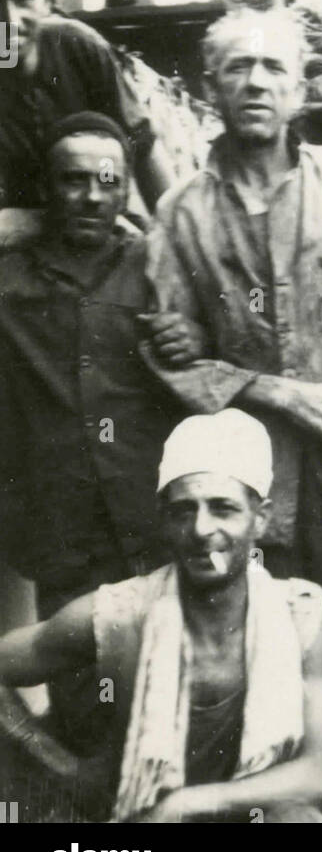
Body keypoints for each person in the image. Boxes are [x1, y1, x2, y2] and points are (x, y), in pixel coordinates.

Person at [141, 0, 322, 686]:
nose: (256, 83)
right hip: (254, 479)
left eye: (273, 67)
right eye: (238, 67)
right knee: (274, 662)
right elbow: (167, 356)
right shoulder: (181, 212)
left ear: (298, 89)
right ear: (210, 87)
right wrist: (278, 391)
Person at [0, 410, 322, 823]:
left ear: (261, 519)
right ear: (165, 520)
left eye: (223, 508)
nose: (201, 529)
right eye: (184, 510)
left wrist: (189, 802)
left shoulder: (300, 615)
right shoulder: (122, 612)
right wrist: (51, 758)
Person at [0, 112, 198, 751]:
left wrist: (193, 337)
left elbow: (225, 344)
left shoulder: (161, 270)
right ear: (46, 189)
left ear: (124, 190)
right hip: (65, 535)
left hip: (162, 521)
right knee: (90, 711)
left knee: (183, 700)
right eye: (73, 180)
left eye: (107, 181)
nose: (90, 196)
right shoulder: (8, 281)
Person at [0, 0, 174, 244]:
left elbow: (143, 147)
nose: (9, 20)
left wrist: (178, 236)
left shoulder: (77, 47)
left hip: (101, 222)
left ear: (47, 0)